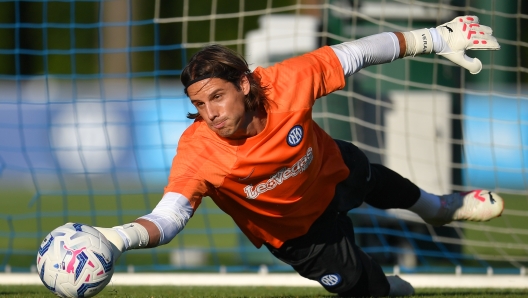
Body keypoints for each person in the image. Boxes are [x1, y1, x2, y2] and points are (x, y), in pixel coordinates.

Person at [93, 15, 503, 297]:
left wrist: (436, 38)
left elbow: (358, 52)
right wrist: (116, 239)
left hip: (329, 169)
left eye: (217, 97)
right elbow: (169, 217)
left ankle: (439, 208)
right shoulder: (199, 151)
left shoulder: (286, 82)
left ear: (245, 84)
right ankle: (387, 287)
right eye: (200, 105)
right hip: (298, 235)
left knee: (372, 176)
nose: (211, 113)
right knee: (366, 287)